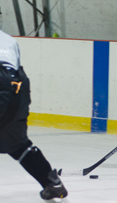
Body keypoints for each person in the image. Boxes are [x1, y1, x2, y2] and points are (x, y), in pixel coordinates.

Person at [0, 28, 68, 199]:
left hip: (4, 88)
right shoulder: (8, 40)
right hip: (19, 90)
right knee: (18, 145)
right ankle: (52, 183)